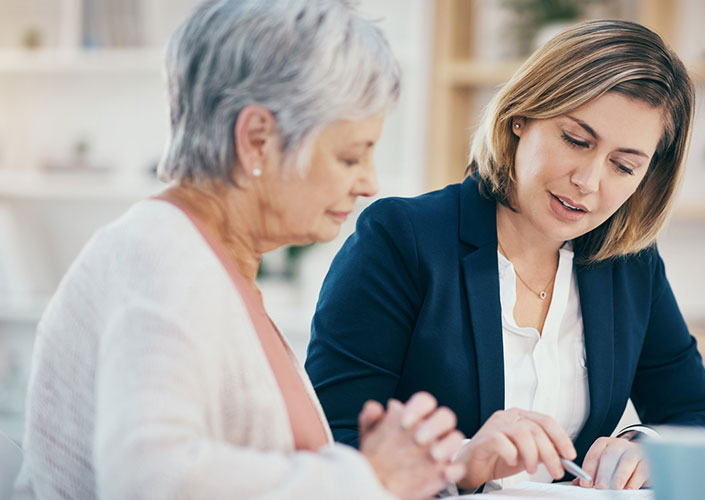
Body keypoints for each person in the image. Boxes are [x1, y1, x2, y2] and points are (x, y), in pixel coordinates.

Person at [12, 1, 466, 499]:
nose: (369, 183)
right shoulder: (162, 256)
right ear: (256, 140)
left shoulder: (209, 263)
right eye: (350, 156)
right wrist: (366, 478)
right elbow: (149, 478)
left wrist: (404, 468)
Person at [305, 19, 705, 493]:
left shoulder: (629, 267)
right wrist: (464, 464)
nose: (589, 182)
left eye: (624, 165)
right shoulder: (400, 239)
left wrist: (644, 444)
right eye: (576, 140)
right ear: (521, 118)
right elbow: (327, 447)